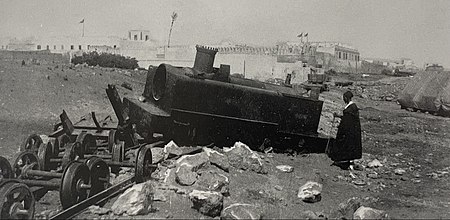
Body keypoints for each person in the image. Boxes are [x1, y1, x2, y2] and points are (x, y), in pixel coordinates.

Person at [329, 91, 362, 170]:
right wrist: (339, 116)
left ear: (347, 98)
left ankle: (344, 162)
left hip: (349, 131)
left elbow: (348, 121)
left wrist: (342, 128)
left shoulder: (351, 108)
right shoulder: (351, 107)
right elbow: (346, 118)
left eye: (344, 98)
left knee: (346, 144)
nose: (343, 99)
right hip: (351, 130)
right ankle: (347, 161)